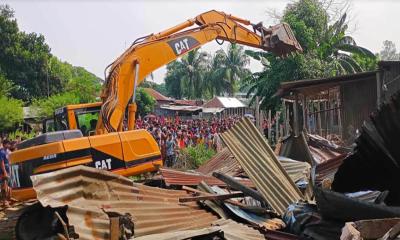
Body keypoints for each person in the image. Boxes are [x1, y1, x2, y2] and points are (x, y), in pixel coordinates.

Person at [0, 139, 11, 208]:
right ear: (4, 144)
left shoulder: (6, 152)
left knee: (6, 186)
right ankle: (4, 201)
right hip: (3, 172)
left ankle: (6, 200)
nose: (9, 145)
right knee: (4, 187)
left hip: (7, 171)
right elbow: (2, 163)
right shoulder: (1, 152)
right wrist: (4, 172)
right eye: (8, 144)